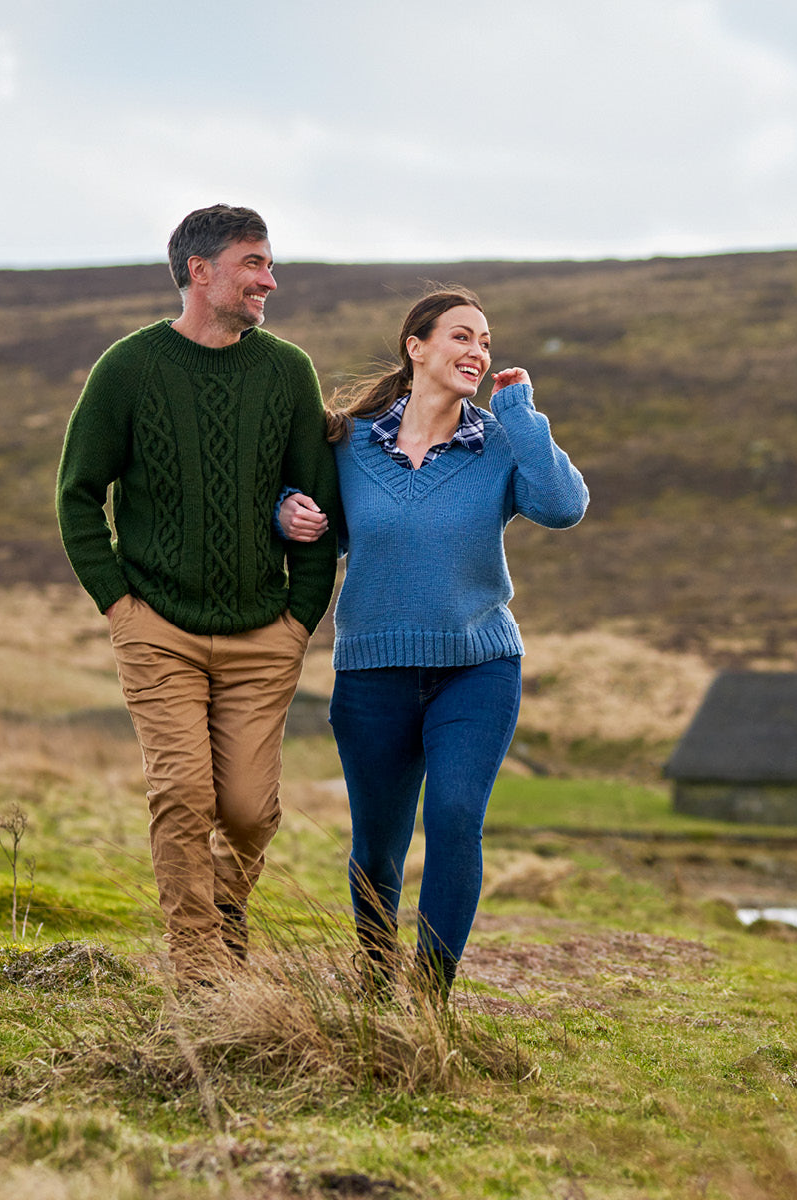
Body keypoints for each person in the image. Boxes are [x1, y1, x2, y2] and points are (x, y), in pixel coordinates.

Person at [56, 204, 340, 986]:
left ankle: (221, 912)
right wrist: (119, 604)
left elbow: (322, 501)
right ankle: (201, 976)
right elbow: (78, 493)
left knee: (248, 811)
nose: (269, 280)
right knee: (182, 794)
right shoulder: (129, 368)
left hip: (263, 633)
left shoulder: (287, 372)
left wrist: (300, 617)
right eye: (254, 262)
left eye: (270, 263)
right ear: (200, 270)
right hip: (159, 627)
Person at [280, 286, 587, 998]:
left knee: (453, 817)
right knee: (377, 847)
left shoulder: (502, 442)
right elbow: (309, 514)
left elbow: (564, 506)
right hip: (372, 673)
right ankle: (376, 975)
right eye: (460, 336)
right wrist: (283, 512)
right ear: (415, 346)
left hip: (477, 668)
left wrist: (522, 414)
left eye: (484, 340)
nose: (477, 351)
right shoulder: (349, 443)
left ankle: (430, 996)